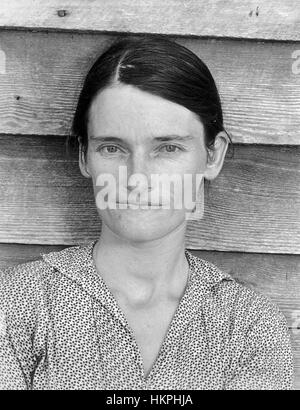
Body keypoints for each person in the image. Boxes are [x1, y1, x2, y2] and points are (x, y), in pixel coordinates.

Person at [0, 35, 294, 390]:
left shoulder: (249, 326)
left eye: (167, 148)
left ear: (212, 155)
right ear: (84, 156)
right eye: (112, 147)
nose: (137, 179)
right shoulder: (18, 303)